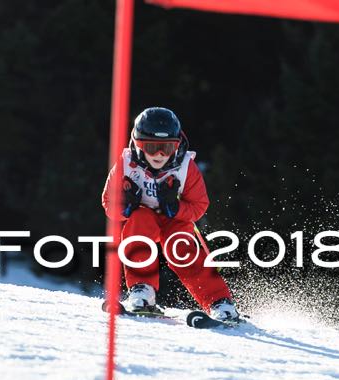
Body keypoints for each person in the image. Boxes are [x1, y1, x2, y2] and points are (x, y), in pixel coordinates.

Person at [101, 107, 238, 321]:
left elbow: (200, 205)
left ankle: (219, 302)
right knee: (138, 227)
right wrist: (126, 207)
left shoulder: (185, 168)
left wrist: (176, 208)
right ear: (138, 145)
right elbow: (109, 203)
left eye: (166, 147)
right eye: (152, 147)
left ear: (176, 145)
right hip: (143, 217)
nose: (159, 155)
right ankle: (142, 291)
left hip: (175, 220)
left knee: (181, 248)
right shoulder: (126, 165)